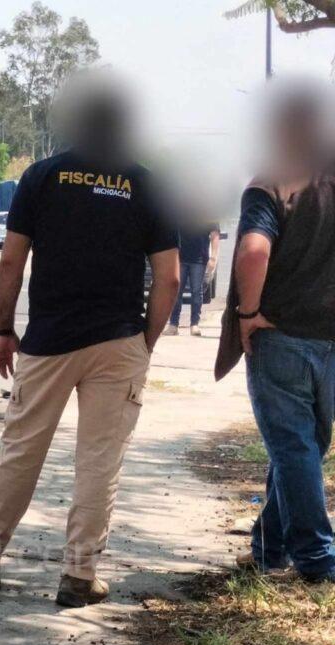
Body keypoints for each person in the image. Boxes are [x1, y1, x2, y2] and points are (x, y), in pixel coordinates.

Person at [0, 74, 180, 608]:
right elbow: (169, 279)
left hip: (48, 340)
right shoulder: (147, 185)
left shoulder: (43, 176)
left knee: (20, 450)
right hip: (119, 341)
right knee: (100, 459)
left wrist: (4, 329)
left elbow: (11, 262)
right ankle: (79, 576)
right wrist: (144, 342)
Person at [215, 83, 335, 583]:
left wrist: (248, 313)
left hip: (281, 336)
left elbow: (253, 252)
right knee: (305, 446)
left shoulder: (272, 182)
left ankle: (318, 560)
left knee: (294, 448)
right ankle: (270, 547)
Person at [163, 221, 220, 336]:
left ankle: (194, 324)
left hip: (199, 259)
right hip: (179, 257)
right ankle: (173, 325)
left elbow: (215, 235)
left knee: (196, 292)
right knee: (176, 291)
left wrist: (213, 258)